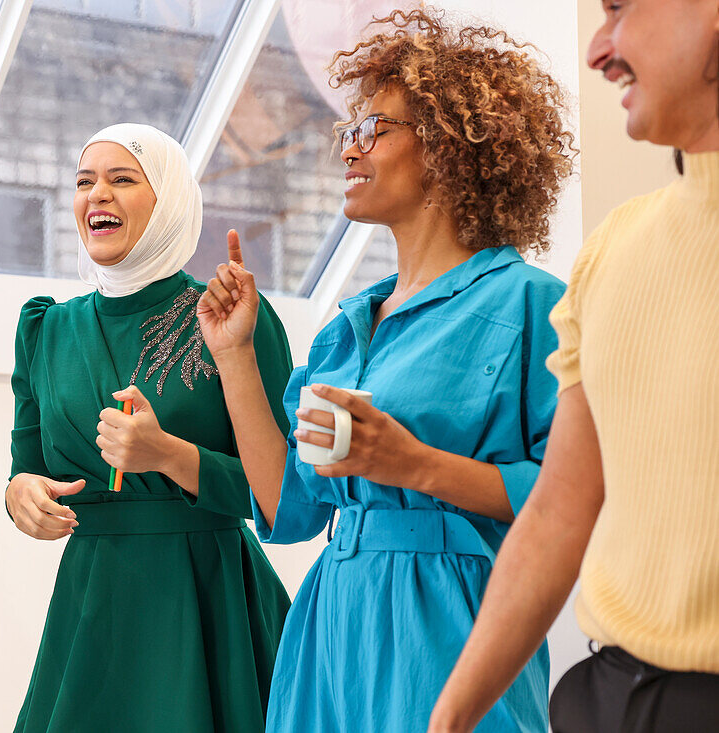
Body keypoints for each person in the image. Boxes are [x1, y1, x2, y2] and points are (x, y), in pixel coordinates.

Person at [197, 9, 575, 732]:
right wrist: (235, 356)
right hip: (332, 628)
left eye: (373, 129)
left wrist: (415, 464)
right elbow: (290, 509)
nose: (349, 149)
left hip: (450, 625)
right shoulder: (347, 328)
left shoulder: (530, 304)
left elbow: (569, 499)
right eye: (349, 130)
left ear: (450, 148)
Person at [430, 1, 719, 730]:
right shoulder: (614, 249)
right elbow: (558, 513)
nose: (599, 50)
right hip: (605, 698)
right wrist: (451, 716)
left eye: (620, 8)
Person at [5, 123, 292, 732]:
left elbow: (286, 495)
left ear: (170, 200)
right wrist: (21, 497)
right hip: (92, 605)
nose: (96, 194)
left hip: (211, 601)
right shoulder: (45, 330)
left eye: (121, 179)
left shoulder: (231, 316)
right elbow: (25, 465)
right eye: (84, 182)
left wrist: (170, 455)